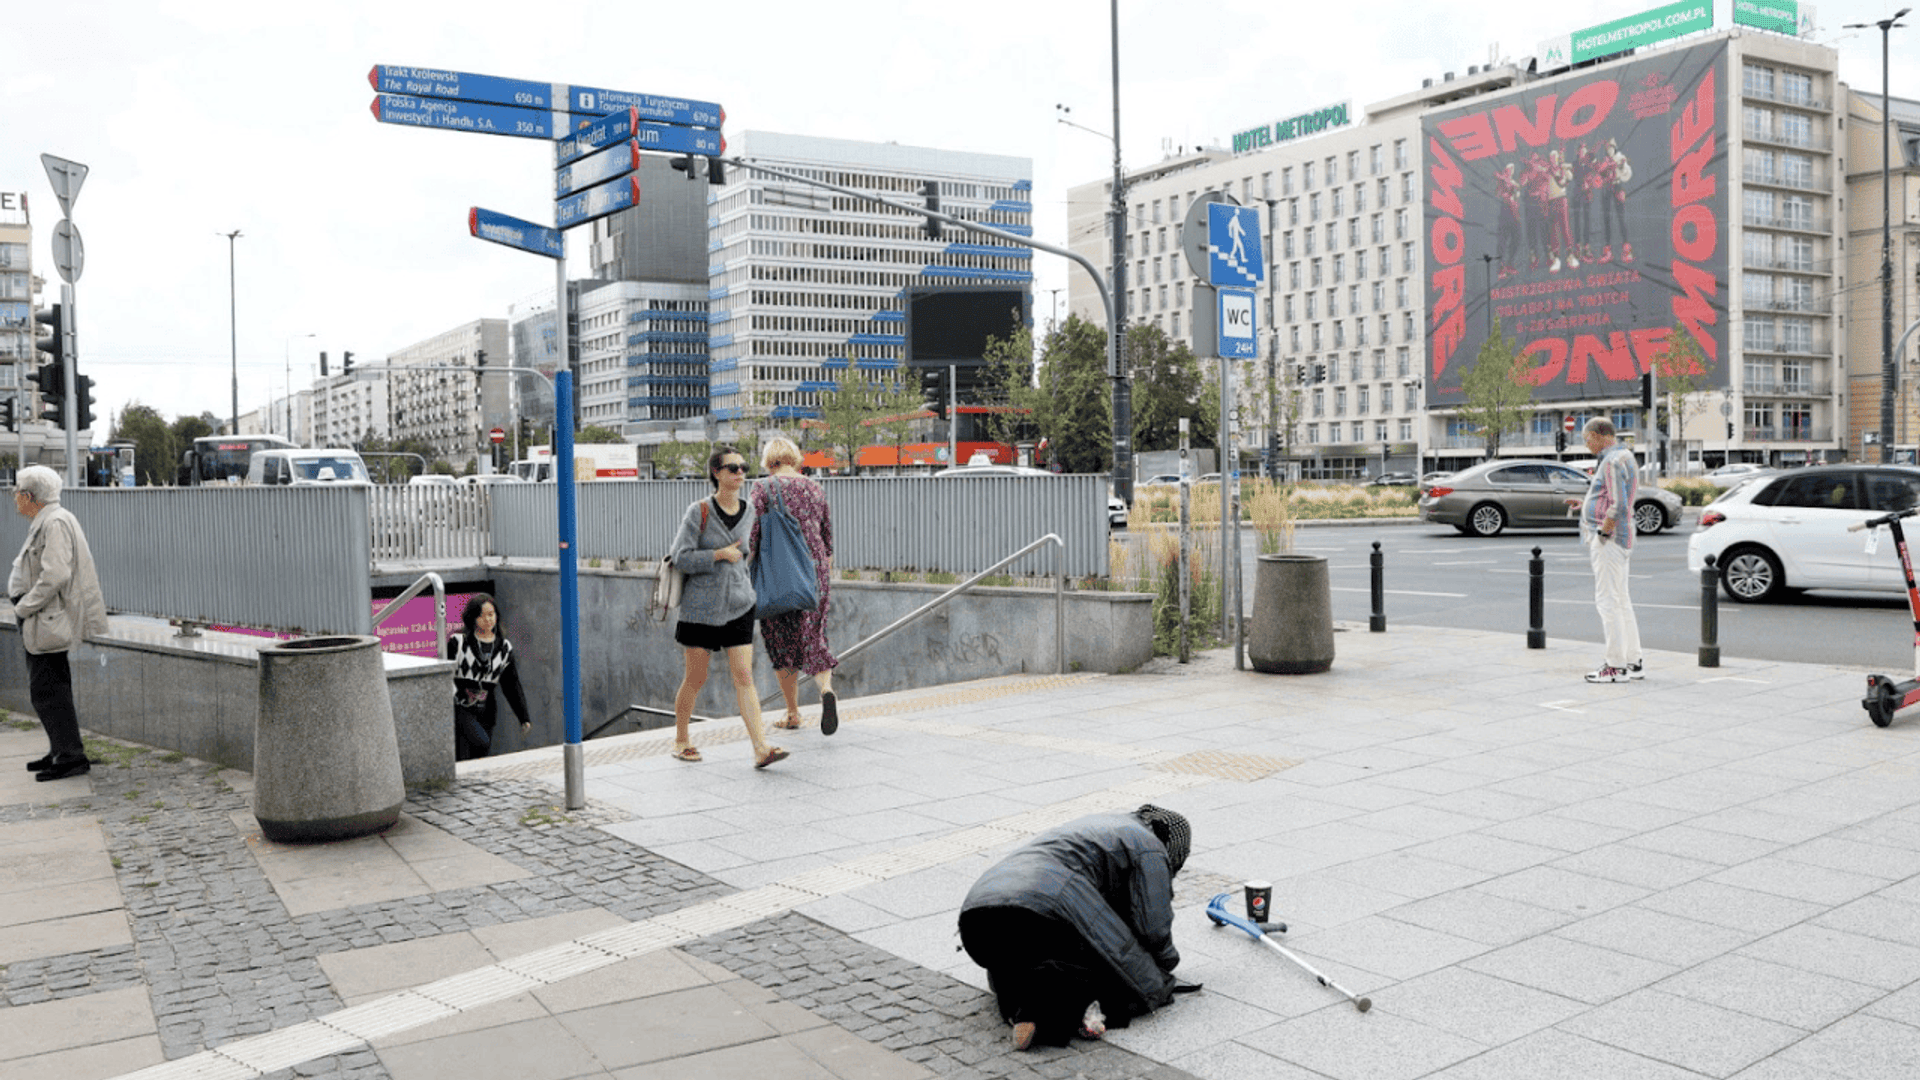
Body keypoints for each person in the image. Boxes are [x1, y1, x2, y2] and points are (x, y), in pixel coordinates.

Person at [958, 805, 1192, 1051]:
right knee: (1139, 982)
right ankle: (1041, 1015)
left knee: (1030, 955)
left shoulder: (1107, 824)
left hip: (977, 917)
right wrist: (1165, 964)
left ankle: (1018, 1004)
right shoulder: (1150, 847)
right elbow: (1153, 926)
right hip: (1043, 903)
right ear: (1171, 845)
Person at [669, 446, 787, 769]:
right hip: (701, 609)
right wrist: (719, 555)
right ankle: (681, 739)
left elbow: (749, 551)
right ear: (717, 473)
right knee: (695, 677)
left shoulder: (750, 511)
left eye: (743, 467)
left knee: (744, 675)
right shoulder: (699, 512)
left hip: (738, 603)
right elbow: (680, 557)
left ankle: (761, 747)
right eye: (732, 468)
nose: (740, 473)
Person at [9, 465, 109, 782]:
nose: (14, 498)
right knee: (51, 687)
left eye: (17, 492)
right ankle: (61, 749)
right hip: (45, 617)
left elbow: (55, 574)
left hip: (46, 617)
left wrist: (24, 606)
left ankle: (69, 756)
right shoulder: (50, 520)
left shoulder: (54, 522)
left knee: (48, 690)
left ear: (29, 496)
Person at [752, 437, 841, 735]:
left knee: (781, 640)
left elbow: (752, 535)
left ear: (769, 460)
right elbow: (827, 538)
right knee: (814, 636)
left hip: (780, 573)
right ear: (793, 457)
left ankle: (792, 713)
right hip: (816, 573)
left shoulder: (763, 488)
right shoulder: (815, 487)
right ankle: (826, 689)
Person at [1566, 418, 1643, 683]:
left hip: (1609, 540)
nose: (1586, 444)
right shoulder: (1626, 456)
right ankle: (1633, 661)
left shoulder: (1610, 461)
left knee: (1607, 601)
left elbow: (1618, 504)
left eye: (1587, 439)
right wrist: (1586, 503)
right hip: (1622, 538)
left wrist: (1603, 531)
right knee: (1621, 600)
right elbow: (1613, 497)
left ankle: (1615, 666)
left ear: (1600, 436)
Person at [444, 593, 532, 760]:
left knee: (480, 755)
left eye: (491, 614)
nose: (488, 620)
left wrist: (523, 717)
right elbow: (445, 675)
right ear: (472, 618)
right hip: (461, 707)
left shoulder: (504, 648)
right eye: (481, 615)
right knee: (479, 742)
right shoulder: (459, 642)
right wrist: (455, 696)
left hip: (487, 710)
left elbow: (511, 685)